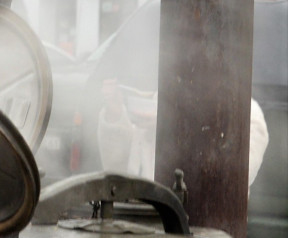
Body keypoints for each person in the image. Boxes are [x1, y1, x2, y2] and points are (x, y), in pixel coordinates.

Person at [96, 78, 268, 186]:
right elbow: (118, 171)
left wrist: (172, 125)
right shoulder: (156, 104)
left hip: (210, 233)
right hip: (149, 227)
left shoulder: (248, 114)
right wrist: (115, 114)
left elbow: (233, 177)